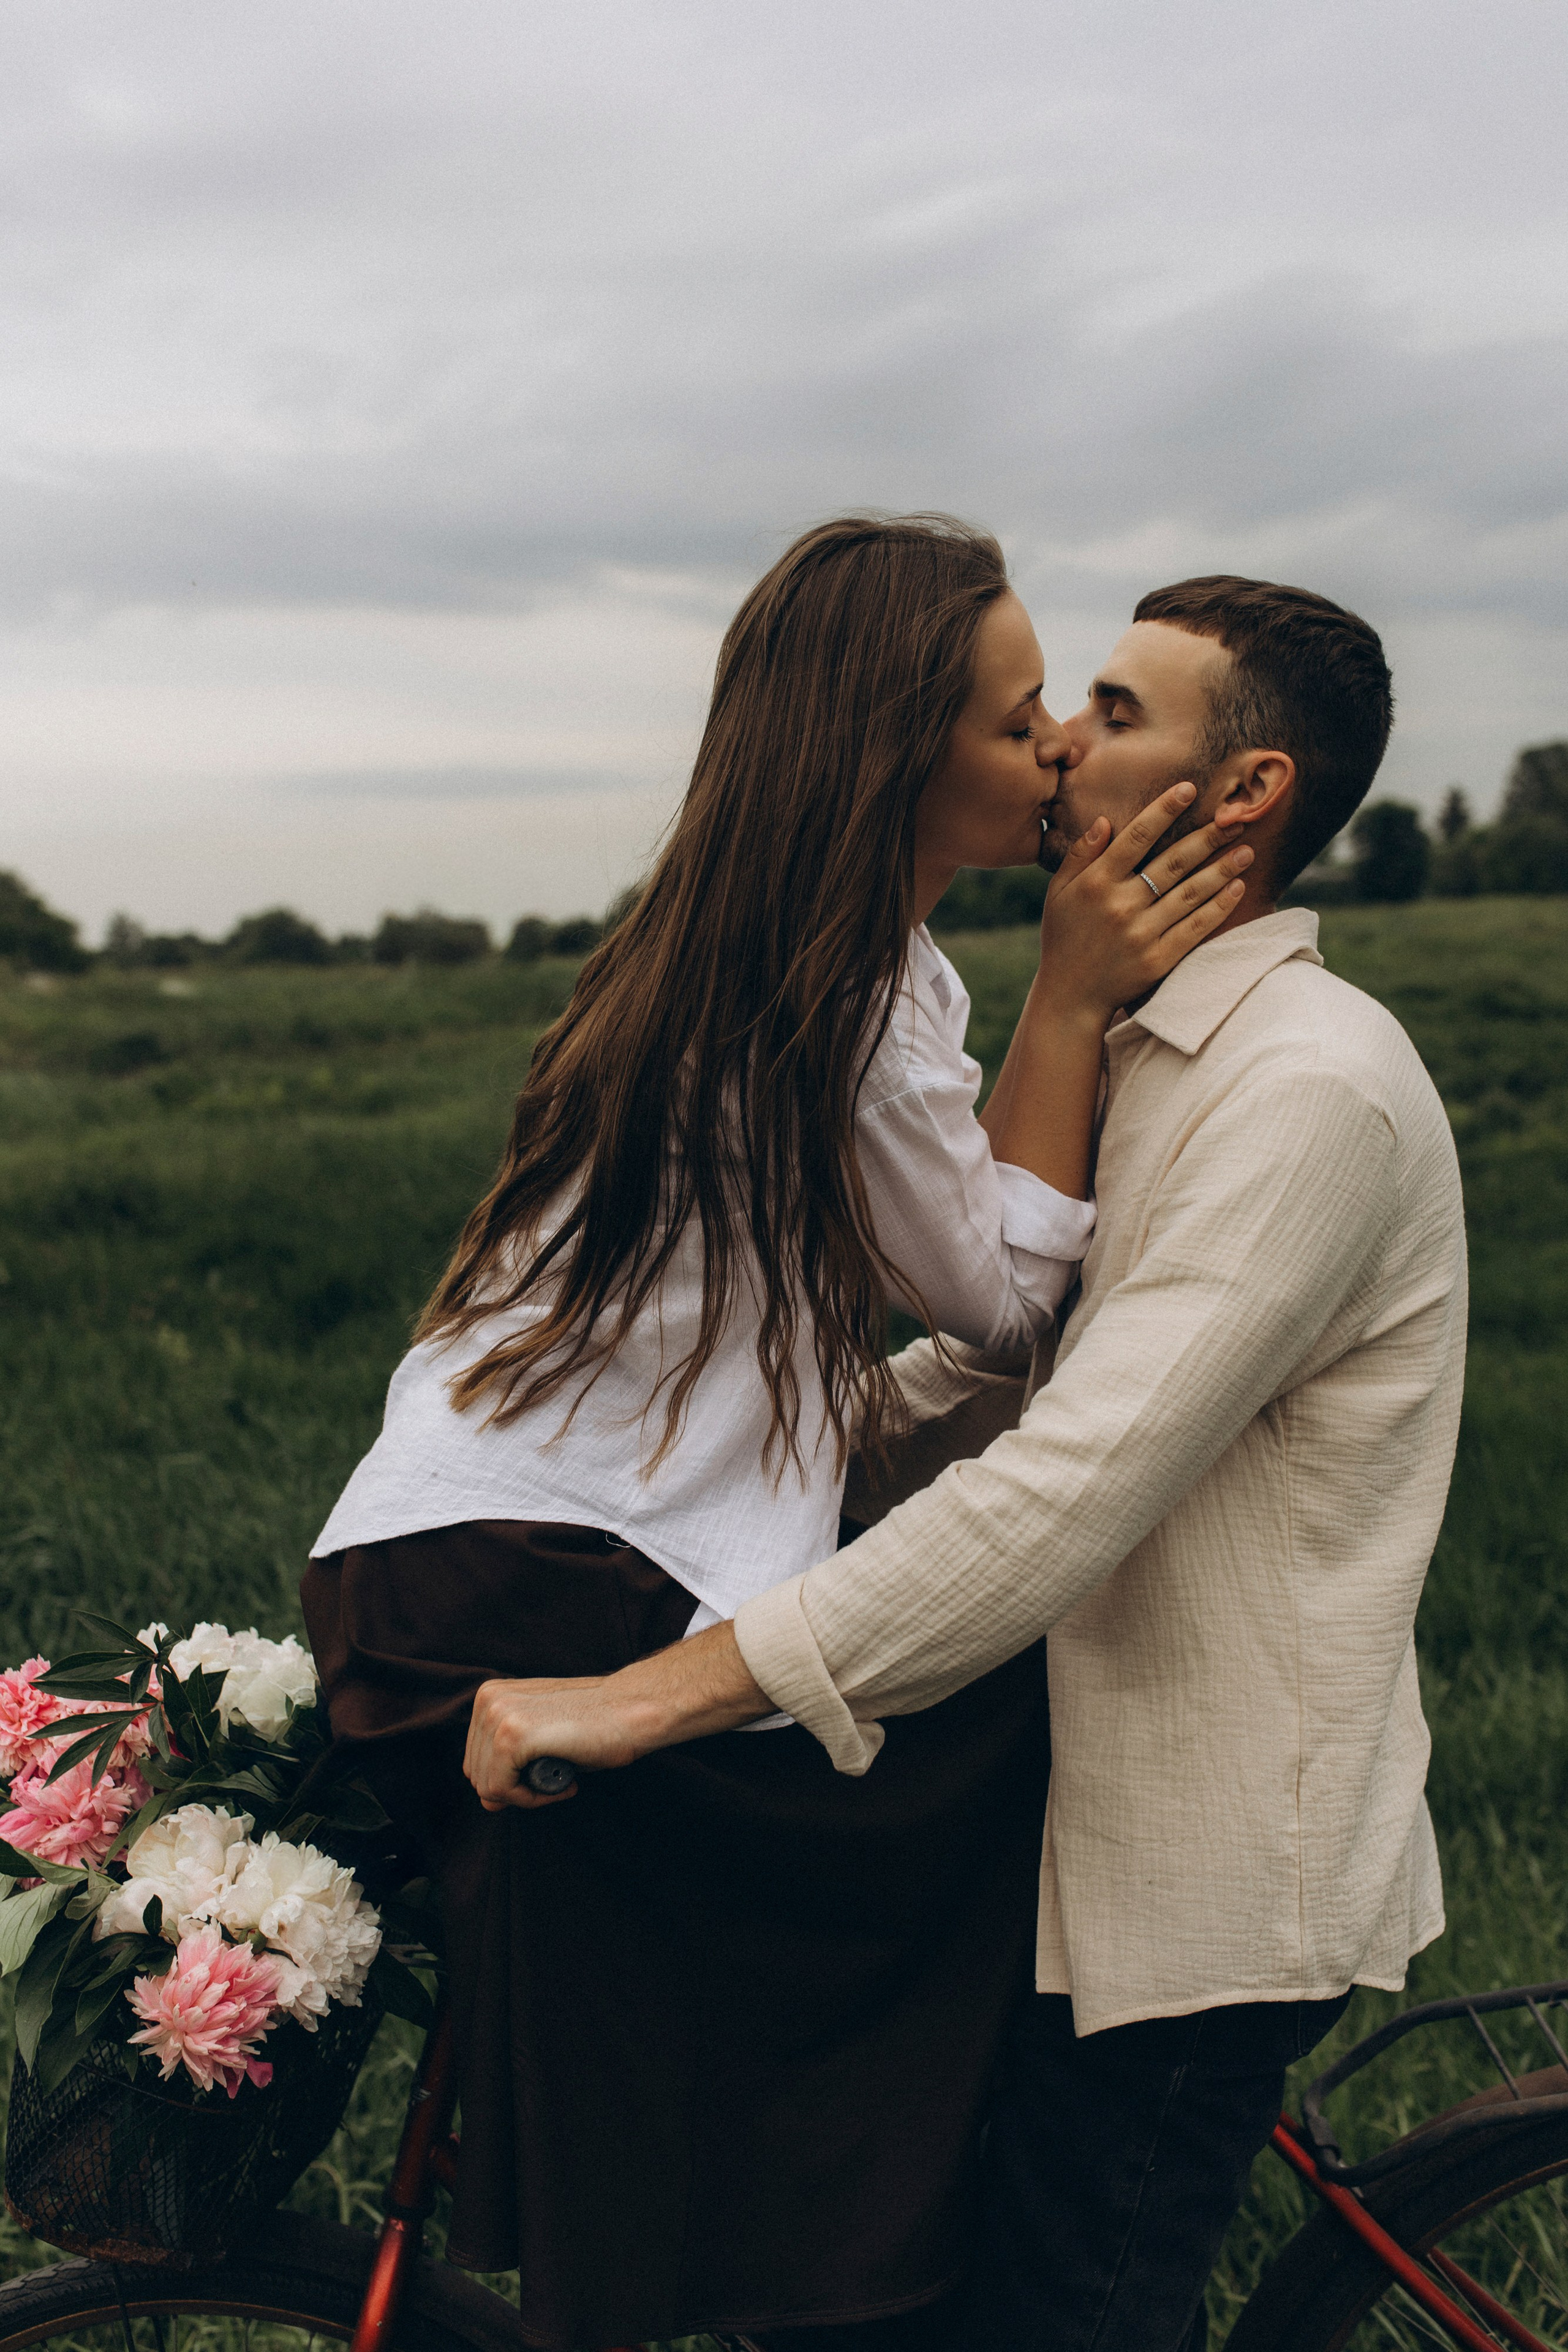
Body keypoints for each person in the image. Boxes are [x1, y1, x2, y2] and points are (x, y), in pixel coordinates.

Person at [464, 574, 1469, 2352]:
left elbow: (1071, 1478)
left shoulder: (1307, 1087)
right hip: (1063, 1825)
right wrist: (713, 1445)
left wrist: (651, 1697)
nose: (1063, 742)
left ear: (1247, 794)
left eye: (1115, 710)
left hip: (1202, 1879)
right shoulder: (1161, 1047)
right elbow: (1006, 1361)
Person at [300, 515, 1248, 2352]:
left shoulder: (743, 953)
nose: (1057, 745)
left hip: (443, 1559)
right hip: (558, 1575)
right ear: (894, 757)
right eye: (1017, 719)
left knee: (818, 1880)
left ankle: (796, 2259)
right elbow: (1002, 1298)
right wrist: (1072, 993)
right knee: (973, 1759)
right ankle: (876, 2271)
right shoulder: (854, 1000)